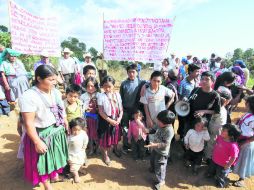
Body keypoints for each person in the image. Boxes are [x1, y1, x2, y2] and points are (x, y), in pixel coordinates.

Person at [18, 65, 69, 190]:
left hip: (56, 131)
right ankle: (47, 186)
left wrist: (65, 121)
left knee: (55, 158)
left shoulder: (56, 92)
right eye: (51, 80)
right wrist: (37, 141)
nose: (54, 82)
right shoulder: (29, 96)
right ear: (39, 79)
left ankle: (54, 176)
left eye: (55, 79)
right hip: (41, 135)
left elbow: (61, 110)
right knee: (42, 163)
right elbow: (28, 123)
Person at [145, 110, 175, 190]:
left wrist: (155, 145)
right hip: (155, 149)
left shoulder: (170, 131)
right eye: (157, 120)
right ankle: (153, 168)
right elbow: (154, 129)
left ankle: (161, 181)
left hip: (162, 153)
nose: (157, 122)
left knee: (160, 167)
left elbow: (165, 144)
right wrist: (147, 131)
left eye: (159, 121)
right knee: (152, 160)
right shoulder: (160, 124)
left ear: (167, 123)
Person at [120, 64, 146, 153]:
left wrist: (144, 86)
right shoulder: (123, 84)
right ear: (127, 73)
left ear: (137, 72)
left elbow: (150, 83)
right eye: (129, 72)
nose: (131, 74)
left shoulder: (141, 82)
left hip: (136, 111)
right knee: (125, 128)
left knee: (137, 128)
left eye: (133, 72)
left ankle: (136, 146)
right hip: (126, 110)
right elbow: (121, 98)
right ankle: (126, 146)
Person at [97, 76, 123, 165]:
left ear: (114, 86)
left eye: (109, 86)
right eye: (105, 86)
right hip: (106, 120)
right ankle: (105, 155)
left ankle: (115, 149)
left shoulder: (117, 95)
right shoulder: (101, 96)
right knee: (105, 138)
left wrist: (119, 118)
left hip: (116, 119)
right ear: (102, 86)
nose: (107, 88)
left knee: (115, 136)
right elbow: (100, 111)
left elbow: (121, 109)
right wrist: (110, 120)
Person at [206, 124, 241, 188]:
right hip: (214, 159)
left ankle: (220, 184)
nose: (221, 131)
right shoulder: (220, 137)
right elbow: (216, 144)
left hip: (223, 164)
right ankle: (210, 174)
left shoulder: (233, 146)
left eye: (224, 130)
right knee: (211, 169)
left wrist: (228, 165)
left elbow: (234, 157)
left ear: (231, 134)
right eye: (222, 129)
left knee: (220, 175)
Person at [205, 86, 232, 161]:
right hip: (216, 128)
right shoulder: (219, 107)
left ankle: (208, 156)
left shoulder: (217, 106)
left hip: (215, 127)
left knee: (211, 142)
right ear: (226, 101)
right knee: (211, 143)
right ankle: (208, 158)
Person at [233, 95, 254, 187]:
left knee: (244, 161)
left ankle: (242, 179)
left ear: (249, 104)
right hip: (240, 140)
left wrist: (245, 142)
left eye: (247, 102)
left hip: (246, 142)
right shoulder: (248, 113)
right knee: (238, 157)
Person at [178, 64, 200, 138]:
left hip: (193, 107)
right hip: (184, 107)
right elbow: (179, 96)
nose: (198, 73)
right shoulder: (183, 83)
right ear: (190, 72)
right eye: (196, 71)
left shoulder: (196, 81)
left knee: (189, 122)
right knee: (182, 123)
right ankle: (181, 137)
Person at [80, 77, 100, 156]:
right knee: (90, 134)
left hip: (98, 119)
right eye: (88, 86)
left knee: (98, 134)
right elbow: (80, 108)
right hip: (87, 119)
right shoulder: (83, 96)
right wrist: (85, 109)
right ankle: (91, 148)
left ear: (96, 86)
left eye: (92, 86)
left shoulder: (99, 95)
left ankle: (97, 149)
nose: (90, 88)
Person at [68, 117, 88, 183]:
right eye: (74, 129)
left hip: (81, 152)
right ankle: (76, 175)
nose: (76, 132)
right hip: (72, 154)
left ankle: (80, 169)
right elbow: (66, 145)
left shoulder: (83, 133)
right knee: (73, 166)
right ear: (71, 128)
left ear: (82, 128)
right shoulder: (69, 136)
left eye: (78, 130)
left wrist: (84, 148)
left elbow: (85, 140)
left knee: (81, 162)